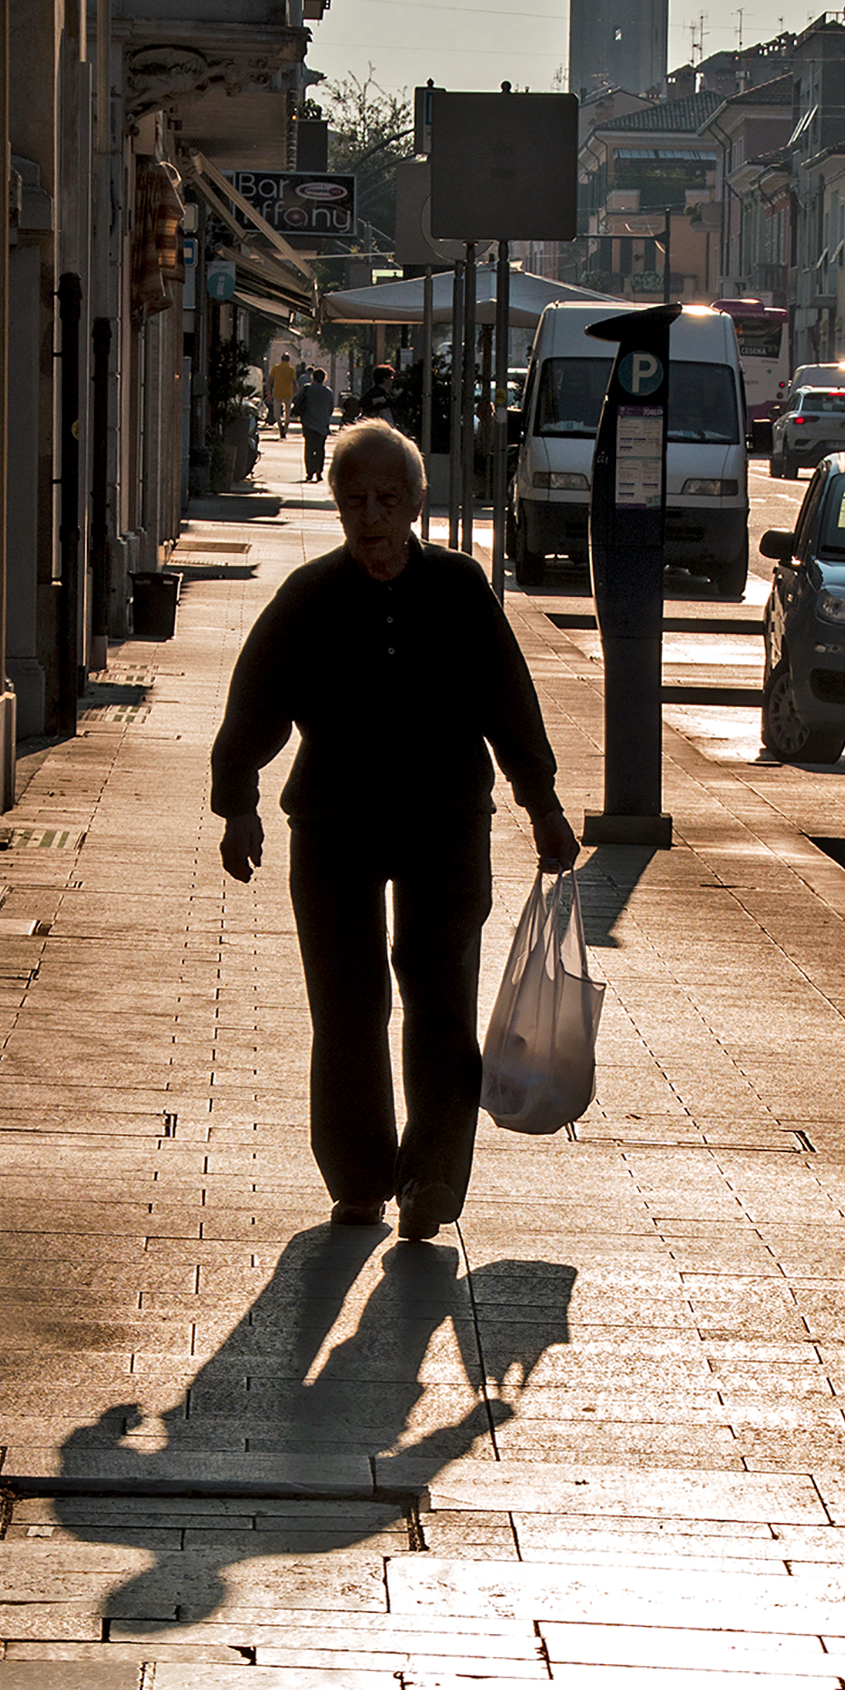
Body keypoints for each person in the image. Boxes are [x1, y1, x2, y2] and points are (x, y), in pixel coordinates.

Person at [211, 418, 580, 1239]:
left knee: (440, 997)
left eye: (386, 498)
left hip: (445, 823)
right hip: (333, 825)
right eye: (353, 499)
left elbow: (507, 702)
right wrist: (237, 799)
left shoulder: (457, 588)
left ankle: (432, 1184)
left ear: (415, 501)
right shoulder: (309, 595)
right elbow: (256, 702)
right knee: (345, 1004)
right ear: (338, 505)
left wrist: (541, 802)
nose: (370, 515)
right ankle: (357, 1179)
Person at [295, 369, 335, 482]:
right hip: (322, 424)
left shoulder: (307, 389)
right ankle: (319, 471)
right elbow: (330, 409)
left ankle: (309, 472)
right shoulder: (328, 392)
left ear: (313, 377)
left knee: (309, 448)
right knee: (320, 448)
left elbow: (298, 400)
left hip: (308, 422)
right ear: (324, 378)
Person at [269, 353, 296, 438]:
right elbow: (294, 382)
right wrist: (296, 393)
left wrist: (268, 393)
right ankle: (286, 427)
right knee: (287, 412)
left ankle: (280, 424)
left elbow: (269, 381)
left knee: (276, 413)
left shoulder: (276, 368)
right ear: (289, 360)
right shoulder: (291, 369)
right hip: (288, 393)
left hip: (277, 392)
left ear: (281, 359)